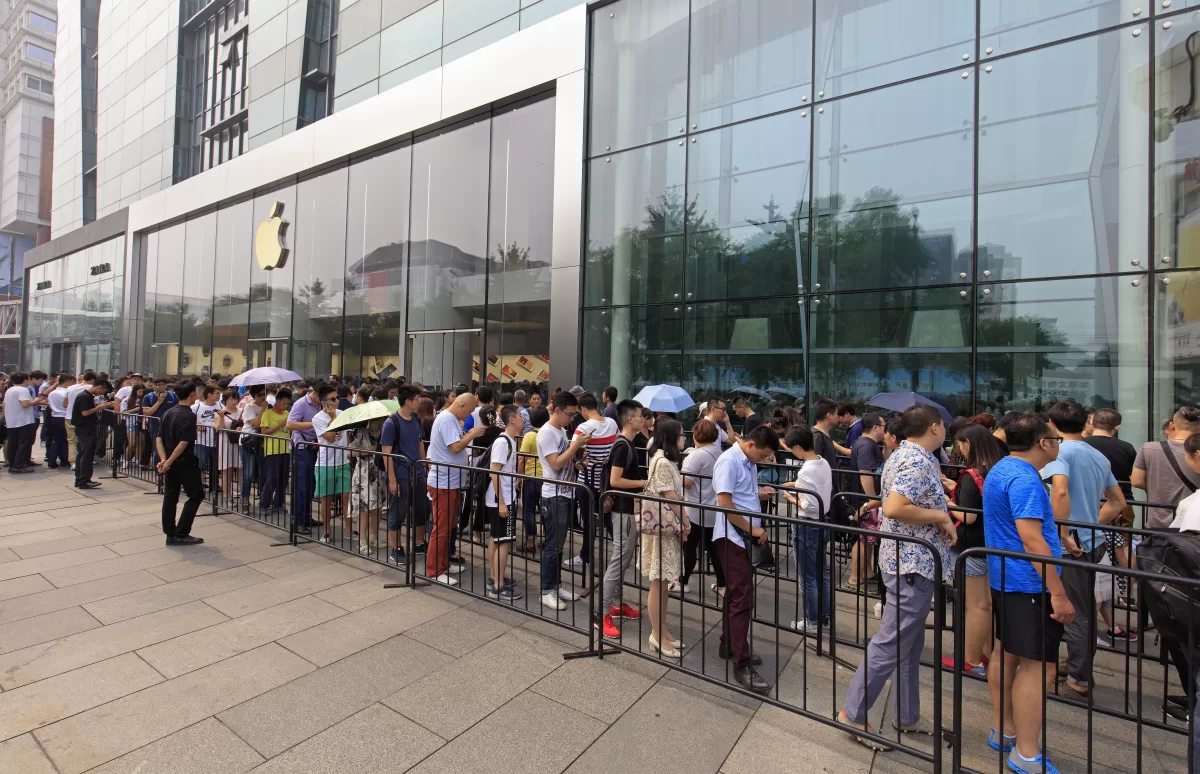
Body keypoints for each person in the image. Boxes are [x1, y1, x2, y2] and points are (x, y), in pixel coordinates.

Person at [840, 406, 956, 748]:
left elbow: (889, 503)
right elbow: (894, 506)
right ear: (934, 428)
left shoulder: (903, 454)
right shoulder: (917, 460)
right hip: (911, 565)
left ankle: (907, 716)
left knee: (907, 644)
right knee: (892, 642)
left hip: (905, 562)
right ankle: (854, 713)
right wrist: (941, 516)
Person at [982, 413, 1075, 774]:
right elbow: (1032, 538)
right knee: (1039, 668)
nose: (1057, 443)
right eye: (1056, 438)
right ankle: (1026, 753)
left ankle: (1004, 730)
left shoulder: (1003, 469)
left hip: (1007, 579)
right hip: (1029, 584)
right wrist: (1059, 592)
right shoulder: (1024, 479)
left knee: (1007, 654)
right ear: (1043, 442)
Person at [1040, 400, 1126, 699]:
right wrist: (1090, 524)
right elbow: (1118, 502)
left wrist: (1064, 532)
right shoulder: (1097, 455)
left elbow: (1060, 489)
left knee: (1072, 611)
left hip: (1071, 546)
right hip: (1093, 542)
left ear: (1051, 423)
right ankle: (1078, 667)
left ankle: (1078, 678)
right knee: (1084, 609)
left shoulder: (1059, 452)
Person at [712, 425, 781, 693]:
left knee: (736, 595)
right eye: (762, 455)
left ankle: (729, 645)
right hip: (732, 537)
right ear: (751, 445)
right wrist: (751, 529)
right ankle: (740, 662)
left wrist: (757, 495)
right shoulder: (729, 461)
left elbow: (739, 497)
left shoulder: (746, 461)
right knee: (741, 599)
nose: (762, 461)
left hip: (743, 536)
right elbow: (725, 504)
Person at [941, 423, 1003, 676]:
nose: (960, 451)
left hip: (971, 546)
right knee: (987, 604)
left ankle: (971, 659)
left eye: (960, 446)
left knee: (976, 606)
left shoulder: (971, 474)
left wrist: (946, 501)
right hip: (993, 545)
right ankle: (987, 654)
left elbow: (967, 516)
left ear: (968, 445)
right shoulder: (997, 469)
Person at [537, 392, 590, 610]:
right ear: (557, 410)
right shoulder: (546, 433)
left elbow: (565, 464)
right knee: (553, 545)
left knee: (558, 545)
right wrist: (575, 446)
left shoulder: (559, 430)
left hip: (565, 493)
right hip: (554, 494)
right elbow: (556, 464)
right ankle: (547, 590)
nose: (571, 419)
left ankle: (556, 585)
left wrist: (580, 461)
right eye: (569, 414)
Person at [641, 417, 689, 657]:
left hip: (667, 528)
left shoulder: (664, 459)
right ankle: (657, 634)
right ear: (671, 437)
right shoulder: (661, 461)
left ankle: (661, 631)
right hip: (663, 528)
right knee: (658, 582)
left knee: (663, 583)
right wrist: (687, 521)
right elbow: (670, 496)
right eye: (681, 434)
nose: (684, 438)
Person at [598, 400, 647, 638]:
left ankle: (615, 605)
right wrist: (643, 483)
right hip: (623, 512)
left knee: (624, 560)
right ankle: (602, 614)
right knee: (619, 561)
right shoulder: (622, 446)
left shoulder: (628, 443)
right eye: (640, 415)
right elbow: (615, 481)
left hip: (628, 511)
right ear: (630, 419)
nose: (643, 418)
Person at [1084, 408, 1139, 612]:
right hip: (1122, 502)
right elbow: (1134, 477)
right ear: (1117, 428)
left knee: (1089, 544)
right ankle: (1125, 594)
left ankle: (1094, 591)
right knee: (1124, 546)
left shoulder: (1082, 446)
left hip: (1090, 502)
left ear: (1092, 423)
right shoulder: (1127, 447)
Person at [427, 393, 486, 586]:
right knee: (442, 528)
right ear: (460, 405)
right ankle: (435, 570)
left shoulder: (449, 419)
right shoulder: (447, 420)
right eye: (468, 411)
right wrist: (472, 434)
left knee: (449, 525)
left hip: (450, 482)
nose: (469, 415)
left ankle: (443, 564)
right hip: (444, 482)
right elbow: (454, 448)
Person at [781, 425, 833, 635]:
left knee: (807, 576)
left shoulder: (805, 470)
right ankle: (824, 616)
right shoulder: (823, 463)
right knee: (822, 573)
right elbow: (820, 490)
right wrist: (798, 485)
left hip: (806, 524)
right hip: (823, 522)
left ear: (798, 447)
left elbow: (809, 505)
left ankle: (811, 620)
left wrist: (791, 498)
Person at [567, 392, 619, 572]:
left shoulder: (582, 428)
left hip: (587, 482)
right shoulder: (612, 424)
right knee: (607, 519)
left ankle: (585, 556)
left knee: (589, 521)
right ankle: (622, 550)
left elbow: (576, 456)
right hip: (606, 482)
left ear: (582, 409)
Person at [1133, 405, 1200, 529]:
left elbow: (1136, 481)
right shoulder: (1196, 452)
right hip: (1191, 524)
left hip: (1157, 521)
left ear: (1172, 426)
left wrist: (1158, 485)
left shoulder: (1148, 448)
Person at [156, 382, 207, 546]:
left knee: (171, 496)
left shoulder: (168, 412)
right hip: (183, 460)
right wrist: (168, 461)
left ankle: (170, 533)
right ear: (192, 394)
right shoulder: (189, 415)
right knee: (196, 495)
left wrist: (164, 460)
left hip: (170, 459)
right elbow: (184, 442)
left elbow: (159, 439)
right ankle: (181, 532)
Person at [382, 385, 428, 565]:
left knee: (421, 510)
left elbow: (419, 442)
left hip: (417, 472)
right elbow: (386, 453)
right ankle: (396, 548)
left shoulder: (416, 418)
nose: (420, 402)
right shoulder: (391, 423)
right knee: (397, 512)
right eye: (417, 399)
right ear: (408, 401)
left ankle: (418, 543)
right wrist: (392, 480)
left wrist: (423, 466)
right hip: (400, 474)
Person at [681, 418, 726, 597]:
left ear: (696, 435)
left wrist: (675, 475)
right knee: (714, 548)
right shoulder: (721, 453)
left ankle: (683, 581)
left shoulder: (696, 455)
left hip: (695, 509)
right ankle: (722, 584)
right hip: (715, 509)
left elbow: (687, 482)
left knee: (690, 547)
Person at [486, 404, 524, 600]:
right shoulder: (503, 442)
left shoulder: (509, 440)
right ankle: (498, 586)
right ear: (511, 419)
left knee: (496, 538)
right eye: (520, 416)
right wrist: (502, 502)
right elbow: (495, 473)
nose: (522, 419)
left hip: (502, 496)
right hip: (501, 498)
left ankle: (494, 578)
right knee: (504, 541)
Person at [847, 414, 886, 592]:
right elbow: (866, 474)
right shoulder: (865, 445)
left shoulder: (869, 444)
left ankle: (867, 572)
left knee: (868, 539)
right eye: (883, 426)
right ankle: (854, 578)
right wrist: (872, 500)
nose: (886, 430)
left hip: (866, 499)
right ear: (875, 427)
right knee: (863, 539)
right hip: (864, 500)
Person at [311, 390, 351, 544]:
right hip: (325, 463)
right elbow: (330, 437)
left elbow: (347, 434)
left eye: (337, 398)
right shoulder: (318, 418)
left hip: (343, 462)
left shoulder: (343, 413)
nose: (336, 401)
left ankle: (349, 529)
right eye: (332, 399)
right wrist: (333, 418)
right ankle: (327, 530)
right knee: (326, 499)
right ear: (324, 402)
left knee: (346, 496)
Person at [286, 384, 327, 531]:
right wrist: (314, 424)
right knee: (301, 487)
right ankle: (296, 521)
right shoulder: (301, 404)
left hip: (314, 447)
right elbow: (290, 424)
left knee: (310, 485)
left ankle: (306, 517)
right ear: (315, 393)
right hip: (301, 449)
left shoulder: (320, 405)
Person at [72, 379, 114, 489]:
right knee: (86, 454)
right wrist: (99, 408)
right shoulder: (85, 396)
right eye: (103, 391)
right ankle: (83, 480)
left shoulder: (87, 396)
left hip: (86, 428)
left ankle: (81, 479)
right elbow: (85, 413)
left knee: (83, 454)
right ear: (98, 387)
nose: (102, 394)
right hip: (85, 429)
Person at [519, 406, 548, 555]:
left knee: (529, 510)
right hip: (547, 477)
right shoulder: (550, 434)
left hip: (531, 477)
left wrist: (518, 477)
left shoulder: (530, 436)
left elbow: (522, 459)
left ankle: (530, 541)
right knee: (545, 510)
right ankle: (547, 539)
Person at [258, 390, 293, 513]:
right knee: (272, 478)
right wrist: (280, 425)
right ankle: (264, 504)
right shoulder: (267, 414)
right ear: (277, 401)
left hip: (285, 449)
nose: (285, 406)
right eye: (284, 403)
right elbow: (264, 432)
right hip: (272, 450)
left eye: (287, 404)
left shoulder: (287, 413)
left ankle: (278, 503)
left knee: (283, 479)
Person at [4, 373, 45, 472]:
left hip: (11, 421)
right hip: (23, 421)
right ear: (25, 380)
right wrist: (36, 401)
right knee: (24, 443)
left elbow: (5, 405)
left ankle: (12, 463)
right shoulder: (23, 390)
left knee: (13, 443)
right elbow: (25, 404)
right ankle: (19, 465)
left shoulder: (9, 390)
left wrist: (6, 418)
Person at [239, 386, 268, 504]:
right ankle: (245, 498)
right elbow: (256, 424)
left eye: (263, 394)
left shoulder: (268, 406)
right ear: (254, 396)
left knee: (263, 471)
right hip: (249, 441)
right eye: (259, 395)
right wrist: (262, 409)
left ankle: (263, 499)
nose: (262, 397)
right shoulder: (249, 407)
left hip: (261, 441)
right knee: (249, 473)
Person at [214, 391, 242, 503]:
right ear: (225, 400)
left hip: (239, 442)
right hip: (225, 442)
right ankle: (227, 495)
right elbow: (219, 429)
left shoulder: (242, 412)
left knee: (241, 468)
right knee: (227, 469)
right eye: (230, 399)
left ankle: (243, 494)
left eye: (235, 399)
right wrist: (221, 417)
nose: (233, 401)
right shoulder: (220, 412)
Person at [193, 386, 221, 485]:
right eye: (216, 393)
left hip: (216, 440)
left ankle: (214, 485)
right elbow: (188, 418)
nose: (219, 395)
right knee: (200, 464)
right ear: (209, 394)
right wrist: (196, 423)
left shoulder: (220, 406)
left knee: (215, 465)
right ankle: (198, 485)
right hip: (201, 441)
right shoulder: (197, 407)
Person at [47, 374, 73, 469]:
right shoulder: (66, 392)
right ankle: (64, 460)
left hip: (54, 417)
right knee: (66, 440)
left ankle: (51, 460)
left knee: (57, 440)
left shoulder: (52, 393)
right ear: (67, 382)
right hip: (64, 416)